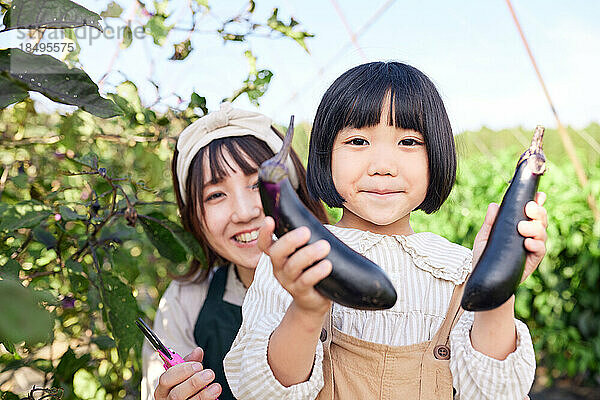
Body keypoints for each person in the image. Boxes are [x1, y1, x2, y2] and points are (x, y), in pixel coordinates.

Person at [224, 62, 548, 399]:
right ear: (325, 155)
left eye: (408, 141)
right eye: (358, 140)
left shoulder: (457, 269)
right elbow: (259, 391)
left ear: (436, 155)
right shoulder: (295, 259)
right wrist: (306, 309)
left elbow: (496, 391)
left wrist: (497, 281)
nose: (382, 166)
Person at [141, 102, 328, 400]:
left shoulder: (354, 283)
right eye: (216, 195)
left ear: (294, 191)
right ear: (194, 219)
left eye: (258, 184)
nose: (243, 212)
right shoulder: (185, 302)